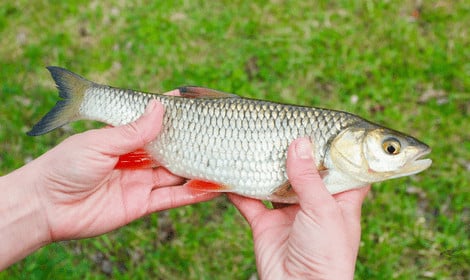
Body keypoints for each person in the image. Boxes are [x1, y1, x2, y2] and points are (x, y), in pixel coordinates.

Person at [0, 100, 370, 278]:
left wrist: (37, 204)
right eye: (390, 149)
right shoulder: (321, 169)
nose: (393, 157)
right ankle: (83, 98)